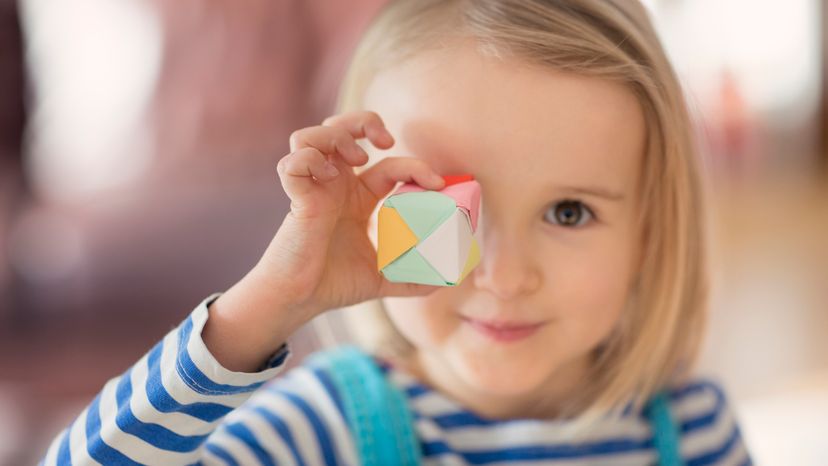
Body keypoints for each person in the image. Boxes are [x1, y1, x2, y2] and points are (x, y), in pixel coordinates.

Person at [41, 0, 752, 464]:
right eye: (449, 207)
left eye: (568, 212)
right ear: (374, 217)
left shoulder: (692, 432)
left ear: (651, 234)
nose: (503, 276)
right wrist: (269, 302)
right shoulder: (328, 426)